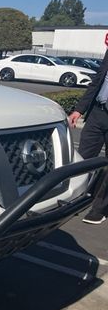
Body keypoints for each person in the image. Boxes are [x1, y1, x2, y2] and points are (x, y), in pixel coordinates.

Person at [68, 48, 108, 224]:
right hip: (97, 114)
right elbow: (97, 81)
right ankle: (75, 198)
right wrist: (79, 109)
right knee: (83, 159)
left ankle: (100, 208)